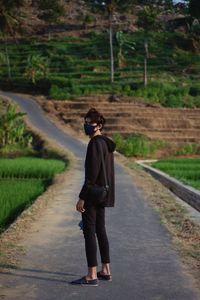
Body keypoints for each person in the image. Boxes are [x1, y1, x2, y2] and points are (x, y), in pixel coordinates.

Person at [71, 108, 116, 286]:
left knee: (89, 233)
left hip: (92, 194)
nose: (86, 125)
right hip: (103, 194)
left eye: (90, 123)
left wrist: (82, 197)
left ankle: (91, 275)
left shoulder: (95, 143)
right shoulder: (106, 143)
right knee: (100, 230)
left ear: (99, 125)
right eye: (86, 122)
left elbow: (92, 174)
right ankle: (105, 270)